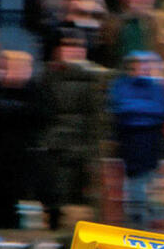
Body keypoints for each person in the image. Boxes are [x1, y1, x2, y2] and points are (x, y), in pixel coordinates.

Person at [35, 29, 109, 230]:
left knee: (81, 197)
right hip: (54, 145)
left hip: (81, 145)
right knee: (55, 196)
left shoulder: (95, 78)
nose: (73, 51)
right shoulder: (45, 76)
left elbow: (97, 118)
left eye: (78, 45)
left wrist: (92, 149)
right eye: (67, 45)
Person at [109, 51, 164, 228]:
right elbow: (120, 107)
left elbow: (162, 109)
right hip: (129, 136)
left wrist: (136, 108)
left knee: (148, 177)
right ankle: (137, 217)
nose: (142, 68)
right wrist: (145, 109)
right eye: (137, 65)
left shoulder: (158, 87)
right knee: (135, 178)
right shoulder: (121, 85)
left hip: (152, 137)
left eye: (146, 65)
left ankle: (152, 216)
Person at [0, 50, 43, 229]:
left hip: (22, 153)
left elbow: (35, 115)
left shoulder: (35, 91)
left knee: (13, 193)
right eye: (2, 68)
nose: (5, 72)